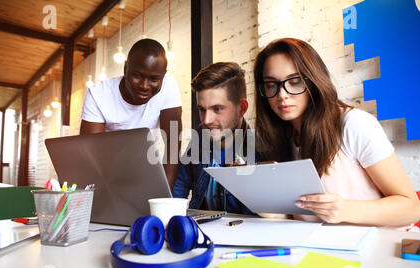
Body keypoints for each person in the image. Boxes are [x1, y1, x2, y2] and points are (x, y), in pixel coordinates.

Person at [253, 37, 420, 228]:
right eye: (271, 85)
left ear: (314, 81)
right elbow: (306, 214)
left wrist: (344, 210)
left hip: (383, 246)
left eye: (295, 81)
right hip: (327, 249)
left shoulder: (354, 124)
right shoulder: (283, 138)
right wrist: (273, 212)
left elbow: (412, 208)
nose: (282, 94)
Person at [80, 38, 182, 190]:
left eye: (154, 79)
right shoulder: (98, 94)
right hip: (105, 172)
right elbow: (91, 155)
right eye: (137, 75)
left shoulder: (169, 87)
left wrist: (165, 196)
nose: (144, 86)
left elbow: (173, 147)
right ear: (125, 68)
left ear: (164, 75)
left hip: (144, 170)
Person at [172, 62, 259, 214]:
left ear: (242, 108)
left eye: (217, 109)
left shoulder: (258, 149)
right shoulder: (200, 134)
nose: (206, 120)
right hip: (200, 229)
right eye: (202, 109)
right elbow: (181, 183)